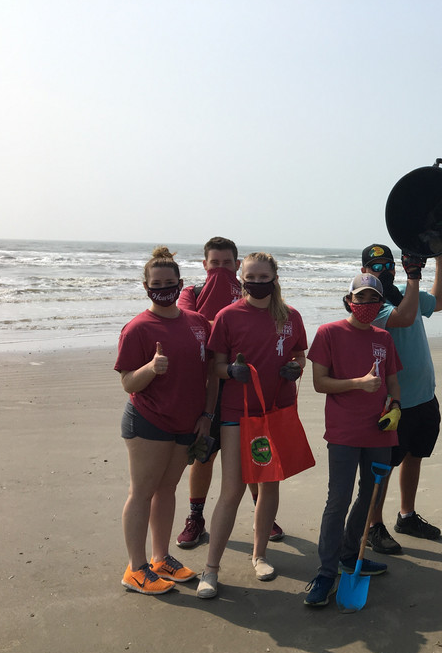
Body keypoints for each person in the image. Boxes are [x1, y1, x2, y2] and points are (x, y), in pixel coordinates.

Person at [197, 252, 308, 599]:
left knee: (269, 486)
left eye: (264, 276)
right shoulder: (227, 317)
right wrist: (230, 371)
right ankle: (211, 569)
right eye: (251, 276)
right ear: (241, 278)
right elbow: (215, 366)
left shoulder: (291, 316)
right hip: (237, 413)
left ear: (275, 278)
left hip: (277, 411)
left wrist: (296, 367)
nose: (257, 282)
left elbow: (299, 353)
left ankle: (260, 555)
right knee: (232, 490)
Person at [175, 237, 286, 549]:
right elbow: (188, 326)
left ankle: (262, 513)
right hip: (207, 389)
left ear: (238, 266)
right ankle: (195, 517)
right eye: (214, 263)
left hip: (249, 390)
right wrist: (223, 320)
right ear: (205, 265)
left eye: (226, 263)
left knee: (253, 451)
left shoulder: (249, 289)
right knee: (205, 456)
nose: (220, 269)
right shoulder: (191, 293)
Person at [115, 247, 213, 594]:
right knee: (141, 492)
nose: (163, 288)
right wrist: (150, 369)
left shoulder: (198, 323)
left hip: (187, 422)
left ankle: (160, 558)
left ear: (180, 284)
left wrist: (206, 415)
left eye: (170, 283)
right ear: (146, 286)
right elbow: (128, 381)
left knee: (166, 490)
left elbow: (211, 373)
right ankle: (136, 568)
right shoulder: (138, 328)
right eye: (156, 283)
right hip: (148, 421)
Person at [303, 273, 403, 607]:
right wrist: (358, 383)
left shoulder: (384, 338)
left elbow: (392, 380)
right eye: (360, 299)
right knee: (339, 499)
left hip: (380, 430)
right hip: (345, 432)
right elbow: (320, 383)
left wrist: (397, 406)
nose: (366, 305)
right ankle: (326, 572)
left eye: (373, 299)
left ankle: (350, 553)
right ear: (349, 301)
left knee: (370, 495)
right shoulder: (328, 333)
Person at [359, 243, 442, 554]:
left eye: (389, 266)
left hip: (424, 396)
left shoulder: (401, 290)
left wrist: (440, 263)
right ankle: (373, 526)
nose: (384, 272)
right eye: (376, 267)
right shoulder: (370, 303)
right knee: (382, 467)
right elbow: (406, 317)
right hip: (394, 404)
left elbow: (436, 303)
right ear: (364, 271)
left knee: (415, 456)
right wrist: (413, 276)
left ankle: (406, 515)